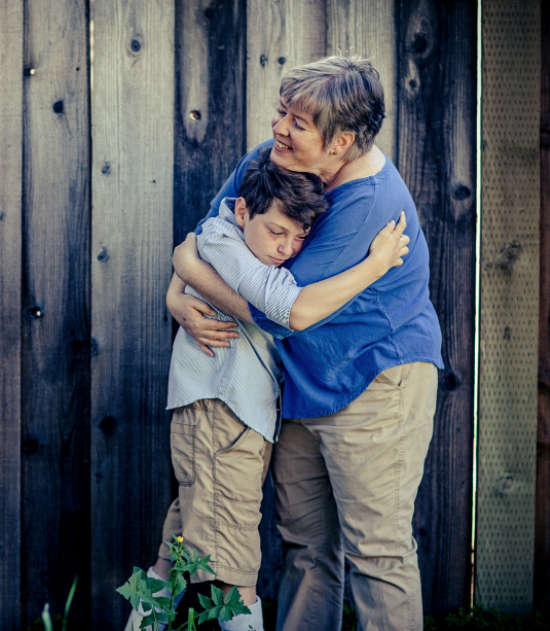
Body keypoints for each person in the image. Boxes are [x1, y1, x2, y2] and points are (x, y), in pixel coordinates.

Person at [168, 56, 443, 631]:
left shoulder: (369, 204)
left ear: (340, 142)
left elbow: (285, 312)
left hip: (374, 383)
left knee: (377, 549)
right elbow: (211, 233)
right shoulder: (272, 163)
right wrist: (179, 286)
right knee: (305, 544)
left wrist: (189, 270)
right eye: (281, 113)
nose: (279, 128)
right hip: (300, 382)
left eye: (297, 122)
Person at [125, 148, 411, 631]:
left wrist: (184, 271)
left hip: (237, 417)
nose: (286, 248)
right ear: (243, 211)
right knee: (233, 571)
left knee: (179, 548)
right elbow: (283, 307)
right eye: (277, 232)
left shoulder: (235, 244)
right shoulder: (223, 241)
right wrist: (375, 265)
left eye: (299, 237)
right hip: (221, 413)